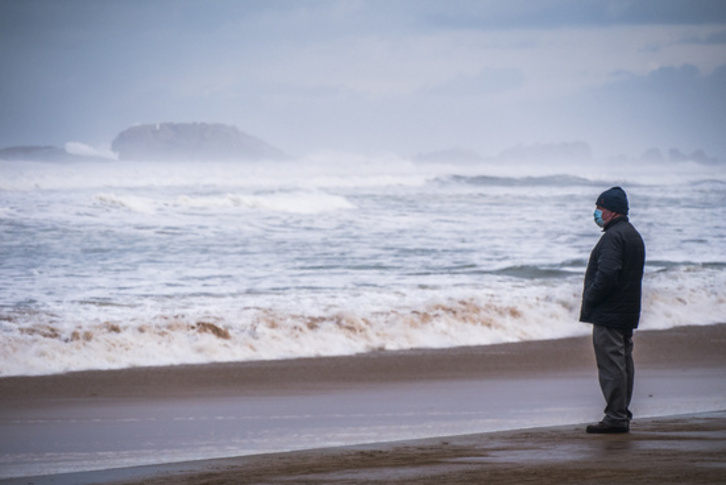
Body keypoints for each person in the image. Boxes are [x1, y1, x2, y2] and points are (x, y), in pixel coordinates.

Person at [580, 186, 645, 434]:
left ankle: (616, 417)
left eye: (598, 209)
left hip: (610, 312)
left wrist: (591, 298)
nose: (596, 213)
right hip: (626, 311)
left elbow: (607, 274)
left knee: (612, 366)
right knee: (623, 363)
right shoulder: (633, 235)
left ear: (610, 211)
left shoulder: (613, 237)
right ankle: (620, 413)